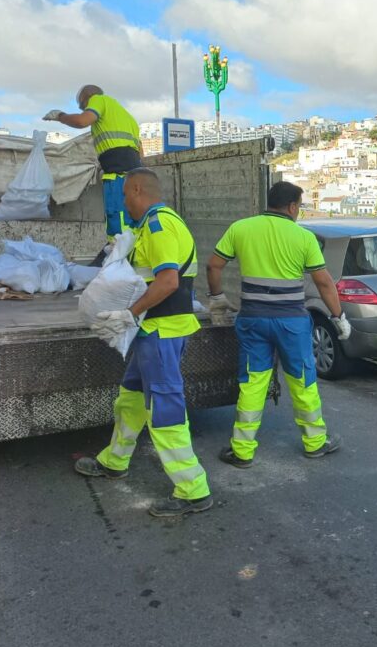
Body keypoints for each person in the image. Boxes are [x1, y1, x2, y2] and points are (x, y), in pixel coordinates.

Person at [74, 168, 212, 517]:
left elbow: (166, 282)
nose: (123, 202)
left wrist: (131, 314)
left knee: (164, 408)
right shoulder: (148, 226)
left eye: (124, 195)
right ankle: (114, 460)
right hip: (152, 331)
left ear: (137, 189)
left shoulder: (159, 225)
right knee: (131, 398)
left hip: (161, 330)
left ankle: (193, 489)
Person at [206, 181, 350, 466]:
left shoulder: (241, 228)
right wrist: (338, 317)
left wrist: (217, 298)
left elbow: (213, 265)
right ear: (293, 207)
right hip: (291, 323)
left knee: (253, 383)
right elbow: (323, 281)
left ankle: (242, 450)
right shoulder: (304, 237)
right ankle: (315, 443)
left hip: (253, 320)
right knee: (303, 382)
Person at [43, 85, 142, 243]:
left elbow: (82, 121)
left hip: (118, 175)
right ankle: (127, 259)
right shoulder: (127, 118)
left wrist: (60, 115)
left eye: (82, 104)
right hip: (135, 175)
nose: (82, 108)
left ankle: (117, 259)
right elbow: (139, 150)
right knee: (132, 221)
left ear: (86, 97)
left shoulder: (99, 100)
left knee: (118, 223)